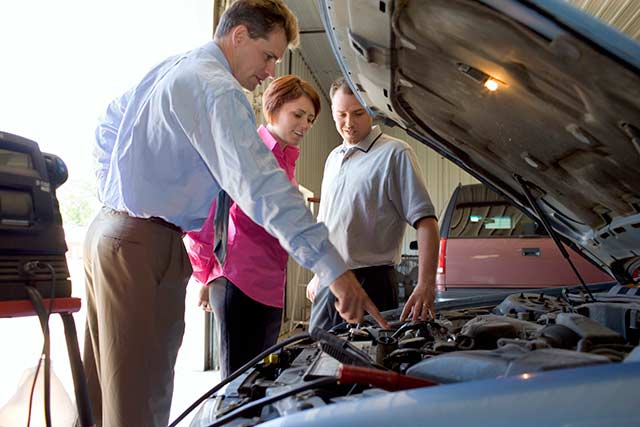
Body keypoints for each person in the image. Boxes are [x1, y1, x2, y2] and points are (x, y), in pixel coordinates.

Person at [83, 2, 387, 426]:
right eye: (267, 56)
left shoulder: (175, 68)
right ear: (239, 36)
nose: (268, 71)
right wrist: (334, 270)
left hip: (111, 234)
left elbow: (107, 127)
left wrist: (115, 194)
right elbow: (261, 187)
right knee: (138, 402)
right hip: (143, 242)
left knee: (98, 396)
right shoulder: (216, 87)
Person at [184, 74, 321, 379]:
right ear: (273, 109)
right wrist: (206, 276)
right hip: (239, 280)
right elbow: (208, 214)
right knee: (237, 383)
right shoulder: (248, 151)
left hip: (270, 283)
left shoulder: (285, 160)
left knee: (259, 379)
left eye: (310, 118)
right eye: (297, 114)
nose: (305, 125)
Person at [307, 77, 440, 331]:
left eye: (357, 113)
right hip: (329, 279)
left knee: (365, 362)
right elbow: (326, 222)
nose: (348, 123)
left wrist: (426, 285)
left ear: (371, 110)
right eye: (341, 114)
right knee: (317, 360)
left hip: (371, 282)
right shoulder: (332, 159)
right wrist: (318, 273)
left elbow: (426, 222)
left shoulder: (395, 154)